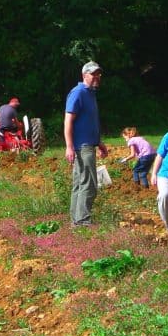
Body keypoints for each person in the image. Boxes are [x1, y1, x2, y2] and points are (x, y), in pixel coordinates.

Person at [64, 61, 108, 227]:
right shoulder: (78, 93)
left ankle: (76, 221)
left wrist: (99, 142)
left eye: (98, 74)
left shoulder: (90, 93)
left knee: (80, 183)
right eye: (93, 74)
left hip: (89, 144)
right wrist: (69, 146)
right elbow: (68, 121)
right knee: (89, 184)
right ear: (84, 75)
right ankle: (82, 221)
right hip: (82, 146)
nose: (96, 77)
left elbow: (89, 122)